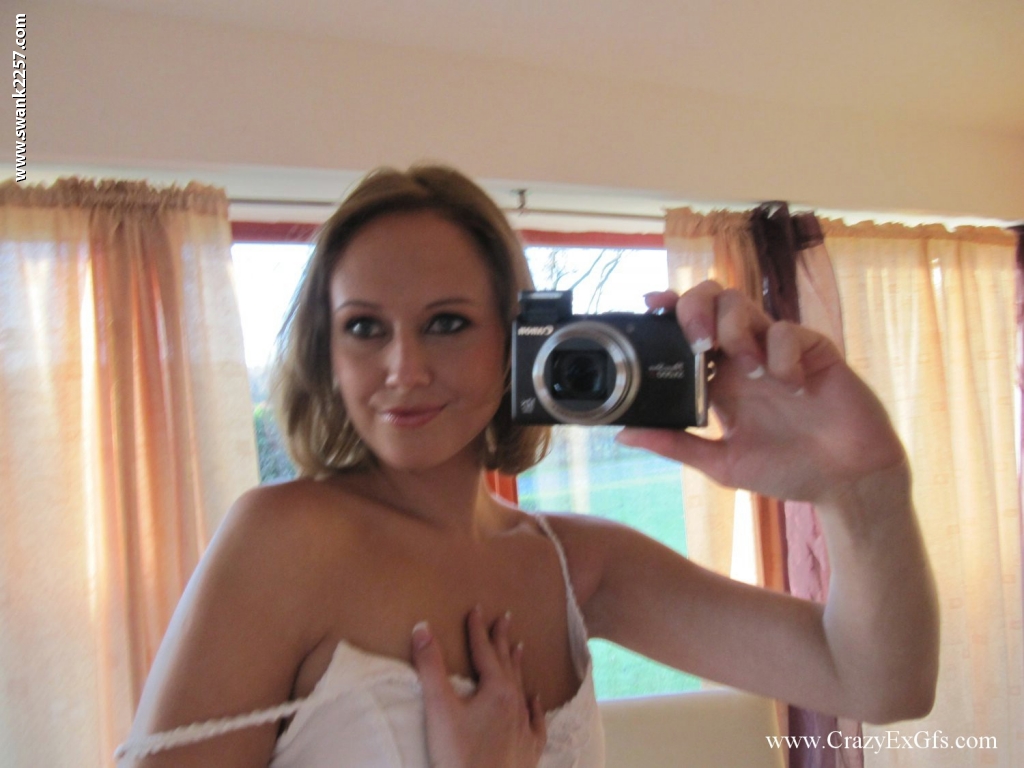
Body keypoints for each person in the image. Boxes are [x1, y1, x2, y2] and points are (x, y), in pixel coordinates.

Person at [116, 165, 939, 767]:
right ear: (325, 351)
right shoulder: (287, 540)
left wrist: (861, 488)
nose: (403, 369)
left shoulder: (575, 565)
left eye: (446, 323)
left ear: (517, 340)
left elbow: (878, 683)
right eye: (364, 327)